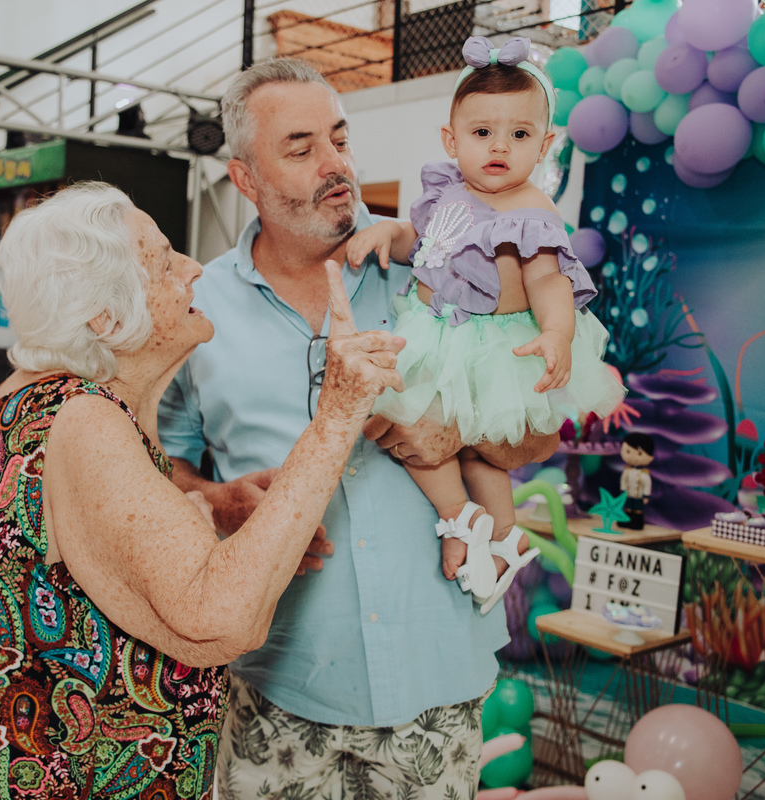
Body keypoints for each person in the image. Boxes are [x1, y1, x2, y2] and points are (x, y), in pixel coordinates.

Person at [0, 182, 407, 799]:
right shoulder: (84, 420)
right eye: (166, 258)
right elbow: (219, 618)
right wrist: (336, 416)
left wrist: (213, 503)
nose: (194, 267)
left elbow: (89, 547)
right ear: (105, 316)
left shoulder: (22, 402)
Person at [158, 59, 558, 799]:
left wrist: (455, 437)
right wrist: (216, 502)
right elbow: (162, 467)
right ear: (245, 178)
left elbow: (537, 437)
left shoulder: (440, 264)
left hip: (434, 684)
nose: (337, 163)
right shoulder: (198, 308)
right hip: (275, 683)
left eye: (340, 138)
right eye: (302, 147)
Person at [344, 36, 625, 612]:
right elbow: (417, 243)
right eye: (482, 133)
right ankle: (473, 524)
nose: (500, 147)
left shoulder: (531, 212)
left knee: (471, 445)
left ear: (545, 144)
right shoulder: (447, 189)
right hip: (431, 331)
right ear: (452, 140)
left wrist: (556, 333)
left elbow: (549, 281)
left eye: (519, 135)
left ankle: (486, 529)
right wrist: (385, 234)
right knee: (410, 427)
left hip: (494, 347)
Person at [618, 432, 655, 529]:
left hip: (638, 496)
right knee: (628, 508)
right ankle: (625, 520)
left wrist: (646, 495)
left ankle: (637, 523)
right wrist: (623, 490)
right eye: (628, 451)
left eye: (639, 453)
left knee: (638, 510)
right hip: (628, 494)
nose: (632, 456)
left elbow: (647, 485)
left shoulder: (644, 474)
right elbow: (623, 481)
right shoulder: (627, 471)